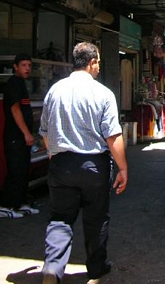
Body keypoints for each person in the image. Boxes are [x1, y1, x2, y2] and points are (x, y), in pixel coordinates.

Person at [39, 42, 127, 284]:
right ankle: (96, 268)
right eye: (98, 62)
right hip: (94, 166)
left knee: (59, 218)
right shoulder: (103, 93)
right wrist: (123, 168)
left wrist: (52, 154)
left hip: (61, 164)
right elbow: (113, 136)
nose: (98, 67)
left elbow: (44, 130)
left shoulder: (55, 91)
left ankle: (53, 269)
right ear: (92, 62)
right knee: (96, 217)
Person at [0, 53, 39, 219]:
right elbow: (15, 110)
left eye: (29, 66)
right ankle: (5, 205)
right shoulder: (14, 84)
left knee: (23, 170)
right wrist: (26, 133)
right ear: (15, 66)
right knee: (15, 170)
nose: (27, 69)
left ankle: (20, 202)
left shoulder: (21, 84)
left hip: (22, 138)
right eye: (23, 65)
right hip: (15, 136)